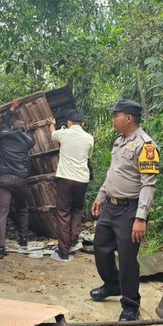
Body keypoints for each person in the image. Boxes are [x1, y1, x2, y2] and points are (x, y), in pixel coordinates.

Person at [90, 99, 159, 322]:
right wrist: (101, 195)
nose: (113, 119)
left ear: (128, 118)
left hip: (130, 210)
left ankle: (131, 304)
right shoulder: (120, 141)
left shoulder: (146, 146)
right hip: (111, 206)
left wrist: (141, 217)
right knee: (100, 247)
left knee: (128, 258)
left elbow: (148, 184)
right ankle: (112, 283)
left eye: (115, 115)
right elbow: (113, 172)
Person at [45, 110, 94, 262]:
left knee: (63, 212)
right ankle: (73, 240)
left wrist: (52, 125)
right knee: (77, 209)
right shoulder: (89, 138)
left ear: (69, 123)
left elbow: (52, 134)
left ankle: (63, 251)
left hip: (66, 178)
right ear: (83, 124)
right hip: (82, 179)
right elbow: (88, 157)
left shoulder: (63, 134)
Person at [0, 99, 37, 260]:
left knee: (1, 213)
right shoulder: (27, 140)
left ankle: (0, 248)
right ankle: (23, 239)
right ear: (24, 129)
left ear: (13, 128)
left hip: (4, 180)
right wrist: (29, 130)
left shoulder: (5, 135)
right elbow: (29, 139)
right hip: (20, 180)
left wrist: (11, 108)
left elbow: (4, 122)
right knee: (23, 208)